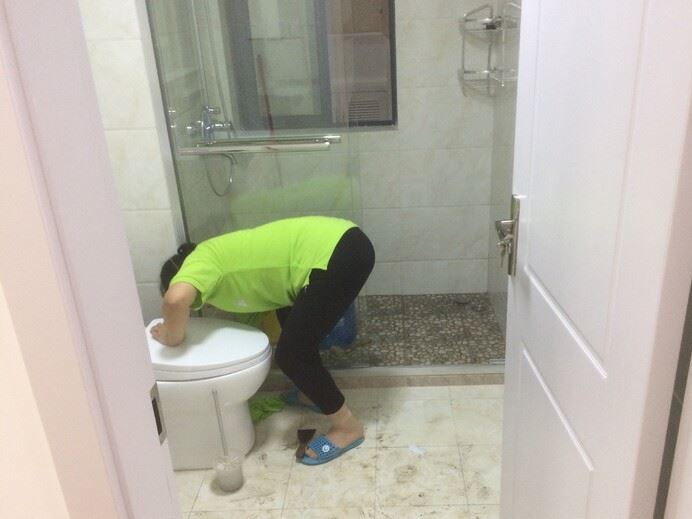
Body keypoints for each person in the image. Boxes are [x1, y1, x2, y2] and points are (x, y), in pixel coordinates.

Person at [151, 216, 375, 465]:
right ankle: (311, 395)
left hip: (339, 253)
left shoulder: (197, 262)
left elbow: (174, 300)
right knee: (294, 334)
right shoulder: (216, 260)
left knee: (291, 355)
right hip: (339, 245)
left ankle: (348, 427)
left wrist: (171, 336)